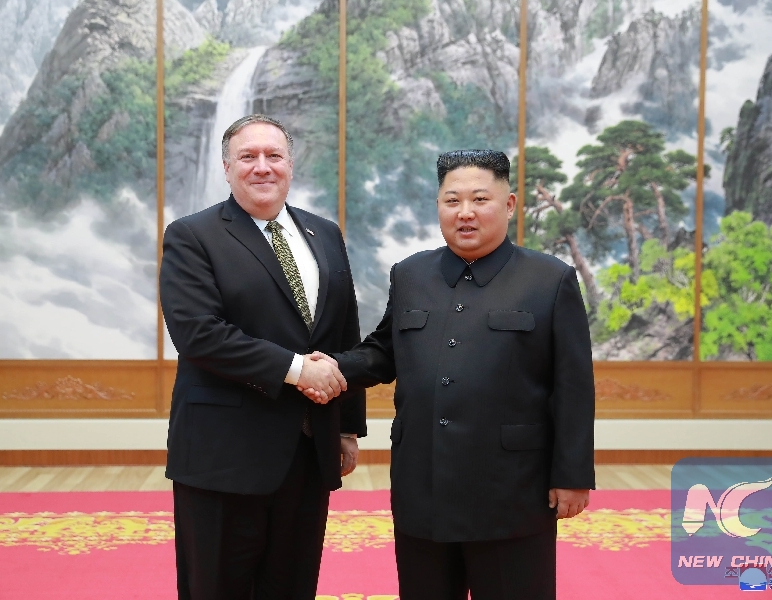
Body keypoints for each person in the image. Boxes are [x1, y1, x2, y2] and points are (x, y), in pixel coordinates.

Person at [306, 149, 595, 600]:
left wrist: (573, 474)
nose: (465, 213)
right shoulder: (410, 274)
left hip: (512, 489)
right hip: (423, 485)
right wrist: (328, 368)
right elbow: (384, 351)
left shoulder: (549, 280)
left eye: (480, 199)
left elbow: (573, 385)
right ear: (438, 205)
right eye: (452, 200)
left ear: (509, 205)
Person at [160, 114, 366, 600]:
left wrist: (346, 427)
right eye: (248, 156)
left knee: (292, 585)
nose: (262, 166)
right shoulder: (192, 235)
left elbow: (344, 331)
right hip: (223, 455)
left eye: (274, 155)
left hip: (307, 448)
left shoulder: (325, 233)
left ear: (291, 165)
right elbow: (199, 334)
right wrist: (297, 371)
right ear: (226, 168)